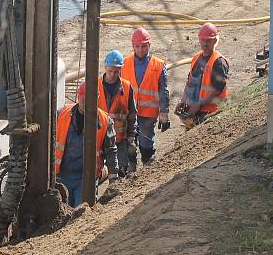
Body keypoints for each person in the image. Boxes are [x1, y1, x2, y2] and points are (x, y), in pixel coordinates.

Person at [55, 82, 119, 207]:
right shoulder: (62, 114)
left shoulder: (105, 121)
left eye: (90, 101)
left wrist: (113, 180)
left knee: (81, 212)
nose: (86, 105)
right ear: (79, 97)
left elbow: (111, 152)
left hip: (86, 178)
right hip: (62, 175)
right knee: (62, 213)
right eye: (84, 101)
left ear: (97, 99)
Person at [123, 27, 170, 165]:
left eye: (143, 46)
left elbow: (163, 91)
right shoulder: (125, 63)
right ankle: (130, 170)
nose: (140, 49)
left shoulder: (158, 65)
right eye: (137, 46)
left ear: (149, 45)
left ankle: (148, 165)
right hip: (129, 112)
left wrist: (164, 113)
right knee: (129, 142)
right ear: (133, 46)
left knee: (146, 143)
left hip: (148, 114)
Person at [176, 23, 230, 126]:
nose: (205, 44)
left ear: (215, 41)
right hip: (196, 111)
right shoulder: (196, 58)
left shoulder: (219, 62)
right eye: (203, 40)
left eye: (208, 40)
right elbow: (190, 83)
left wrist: (199, 104)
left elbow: (217, 89)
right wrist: (183, 101)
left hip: (212, 113)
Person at [97, 50, 138, 175]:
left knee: (120, 171)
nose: (112, 75)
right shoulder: (95, 85)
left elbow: (132, 114)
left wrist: (131, 137)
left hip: (119, 139)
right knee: (96, 172)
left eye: (116, 72)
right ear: (105, 67)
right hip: (99, 138)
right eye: (110, 71)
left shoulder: (126, 87)